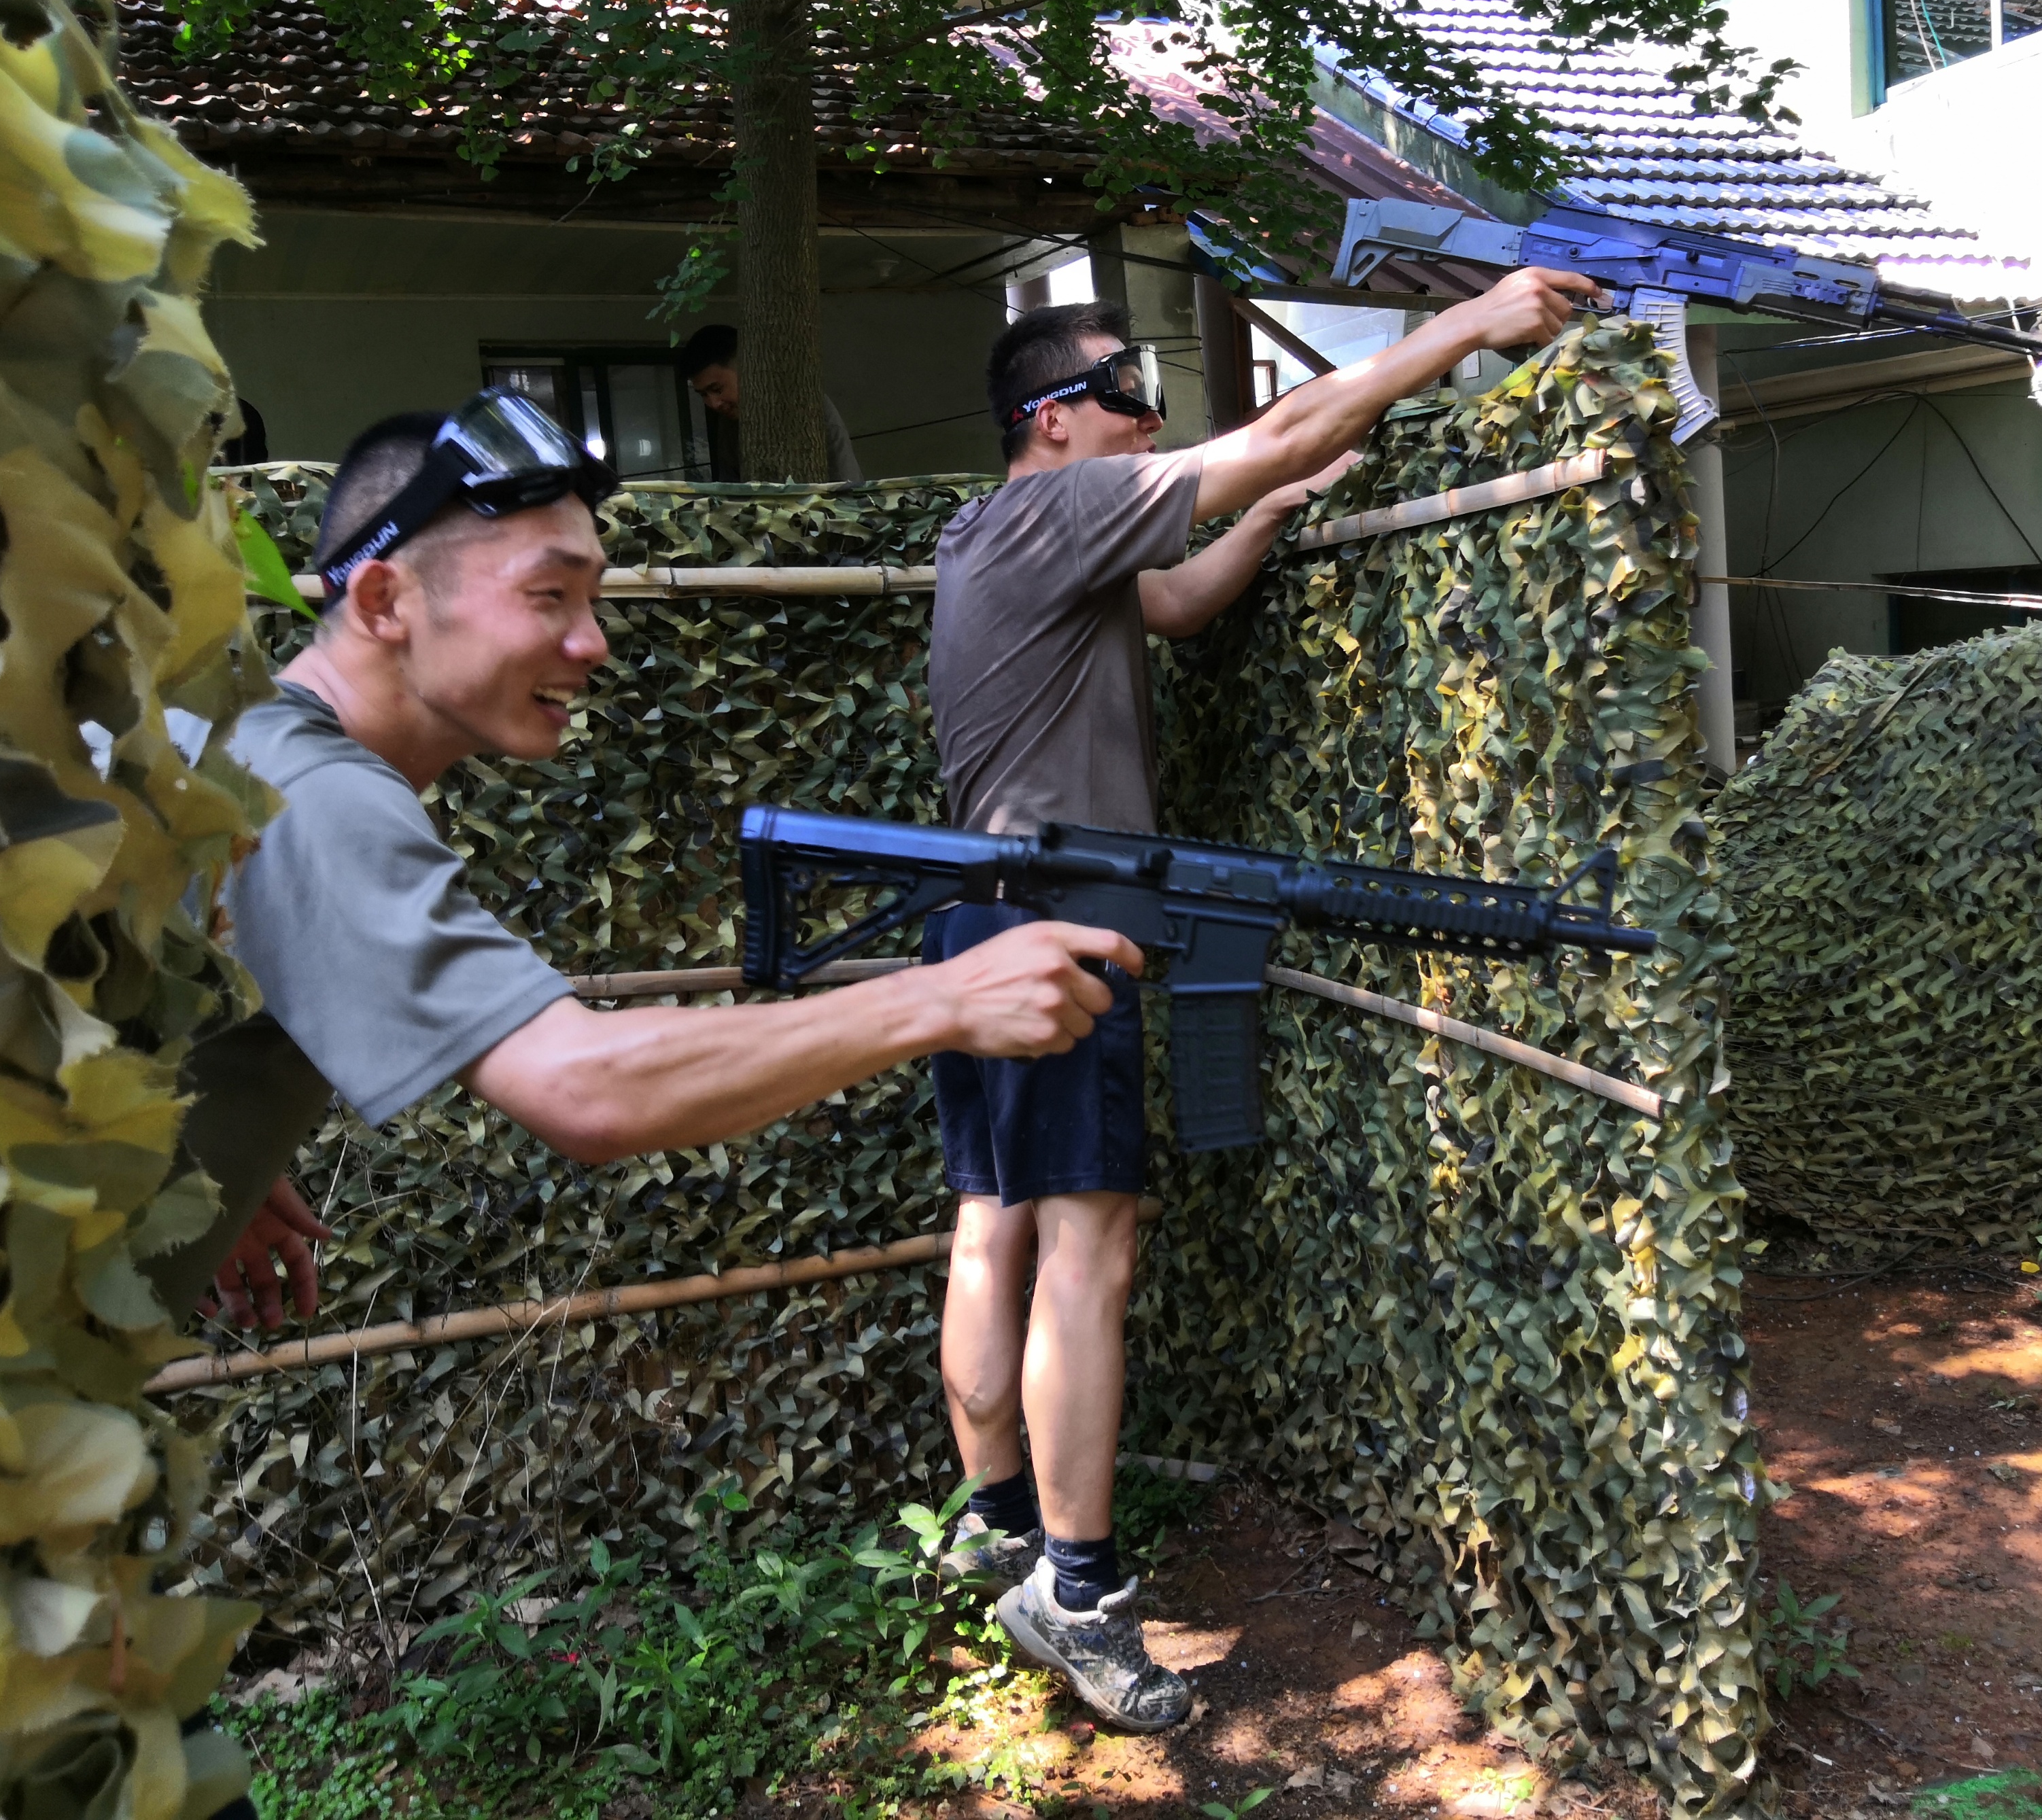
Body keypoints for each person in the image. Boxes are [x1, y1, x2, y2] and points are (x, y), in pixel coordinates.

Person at [924, 266, 1593, 1733]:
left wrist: (1269, 517)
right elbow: (1280, 430)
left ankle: (993, 1521)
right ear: (1049, 418)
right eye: (1124, 390)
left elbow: (1173, 604)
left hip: (976, 917)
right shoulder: (1059, 506)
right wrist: (1466, 325)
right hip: (1065, 930)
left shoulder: (992, 536)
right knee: (1089, 1251)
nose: (1148, 413)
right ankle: (1077, 1590)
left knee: (995, 1220)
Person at [150, 388, 1141, 1327]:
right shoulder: (310, 790)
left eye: (593, 598)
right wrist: (944, 998)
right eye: (548, 595)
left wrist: (189, 1151)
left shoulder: (232, 738)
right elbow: (585, 1089)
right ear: (381, 600)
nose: (594, 643)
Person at [680, 324, 863, 482]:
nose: (714, 404)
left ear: (747, 369)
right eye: (703, 395)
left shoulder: (809, 407)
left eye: (717, 389)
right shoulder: (729, 421)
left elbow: (847, 489)